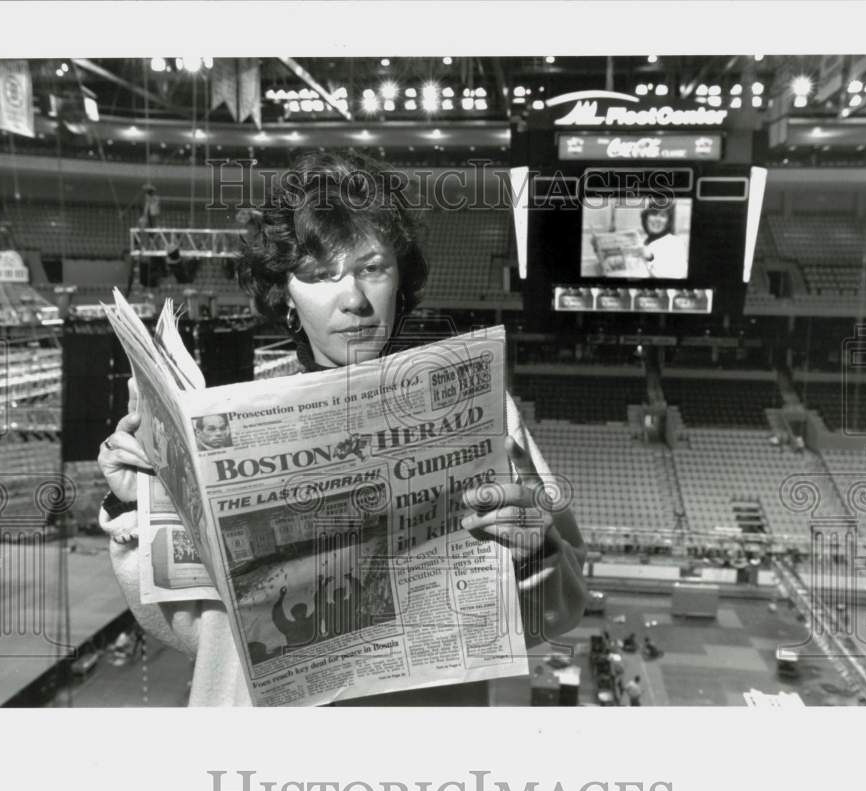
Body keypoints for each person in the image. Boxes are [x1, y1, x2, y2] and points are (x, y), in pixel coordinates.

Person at [97, 150, 587, 706]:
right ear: (285, 295)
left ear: (400, 279)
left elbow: (559, 614)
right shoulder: (228, 424)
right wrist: (136, 507)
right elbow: (192, 633)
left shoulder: (486, 412)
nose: (352, 299)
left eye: (371, 267)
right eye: (319, 275)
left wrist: (533, 554)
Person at [640, 201, 688, 280]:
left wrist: (649, 260)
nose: (657, 219)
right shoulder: (643, 241)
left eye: (663, 216)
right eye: (654, 214)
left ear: (669, 221)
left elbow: (675, 276)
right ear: (646, 218)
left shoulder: (674, 243)